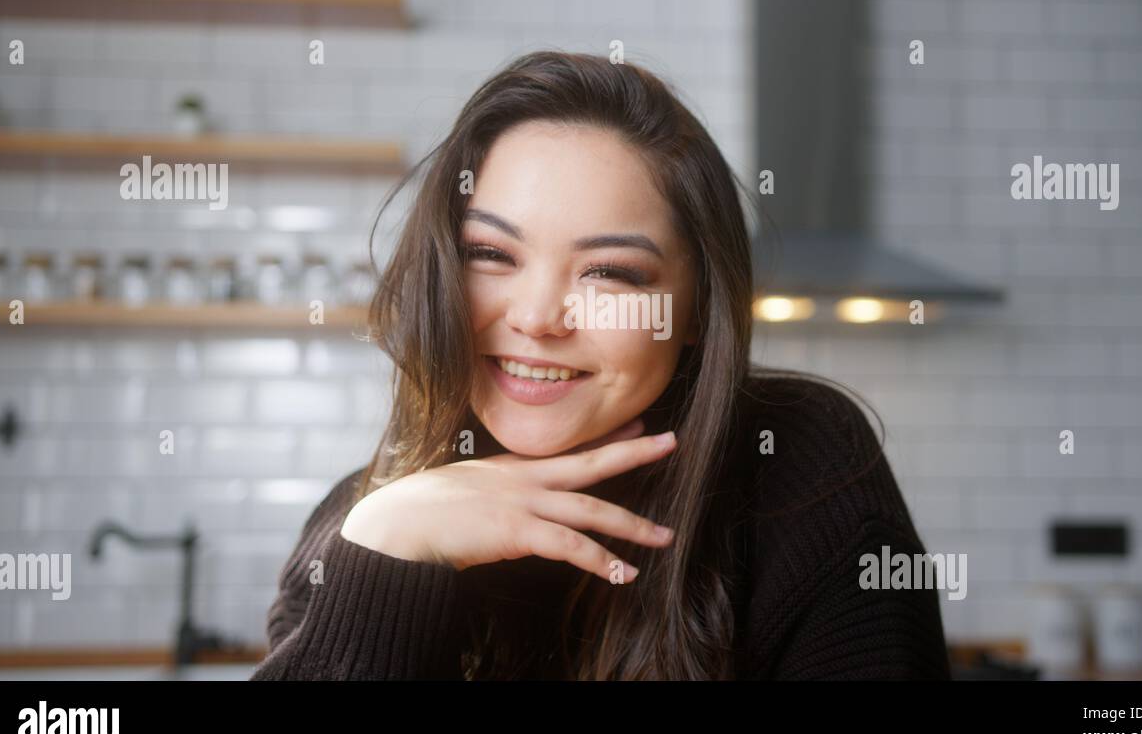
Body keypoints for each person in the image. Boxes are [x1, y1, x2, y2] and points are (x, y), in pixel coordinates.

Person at [251, 50, 950, 680]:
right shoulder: (364, 520)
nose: (536, 317)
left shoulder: (798, 464)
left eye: (609, 271)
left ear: (699, 311)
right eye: (490, 255)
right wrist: (388, 551)